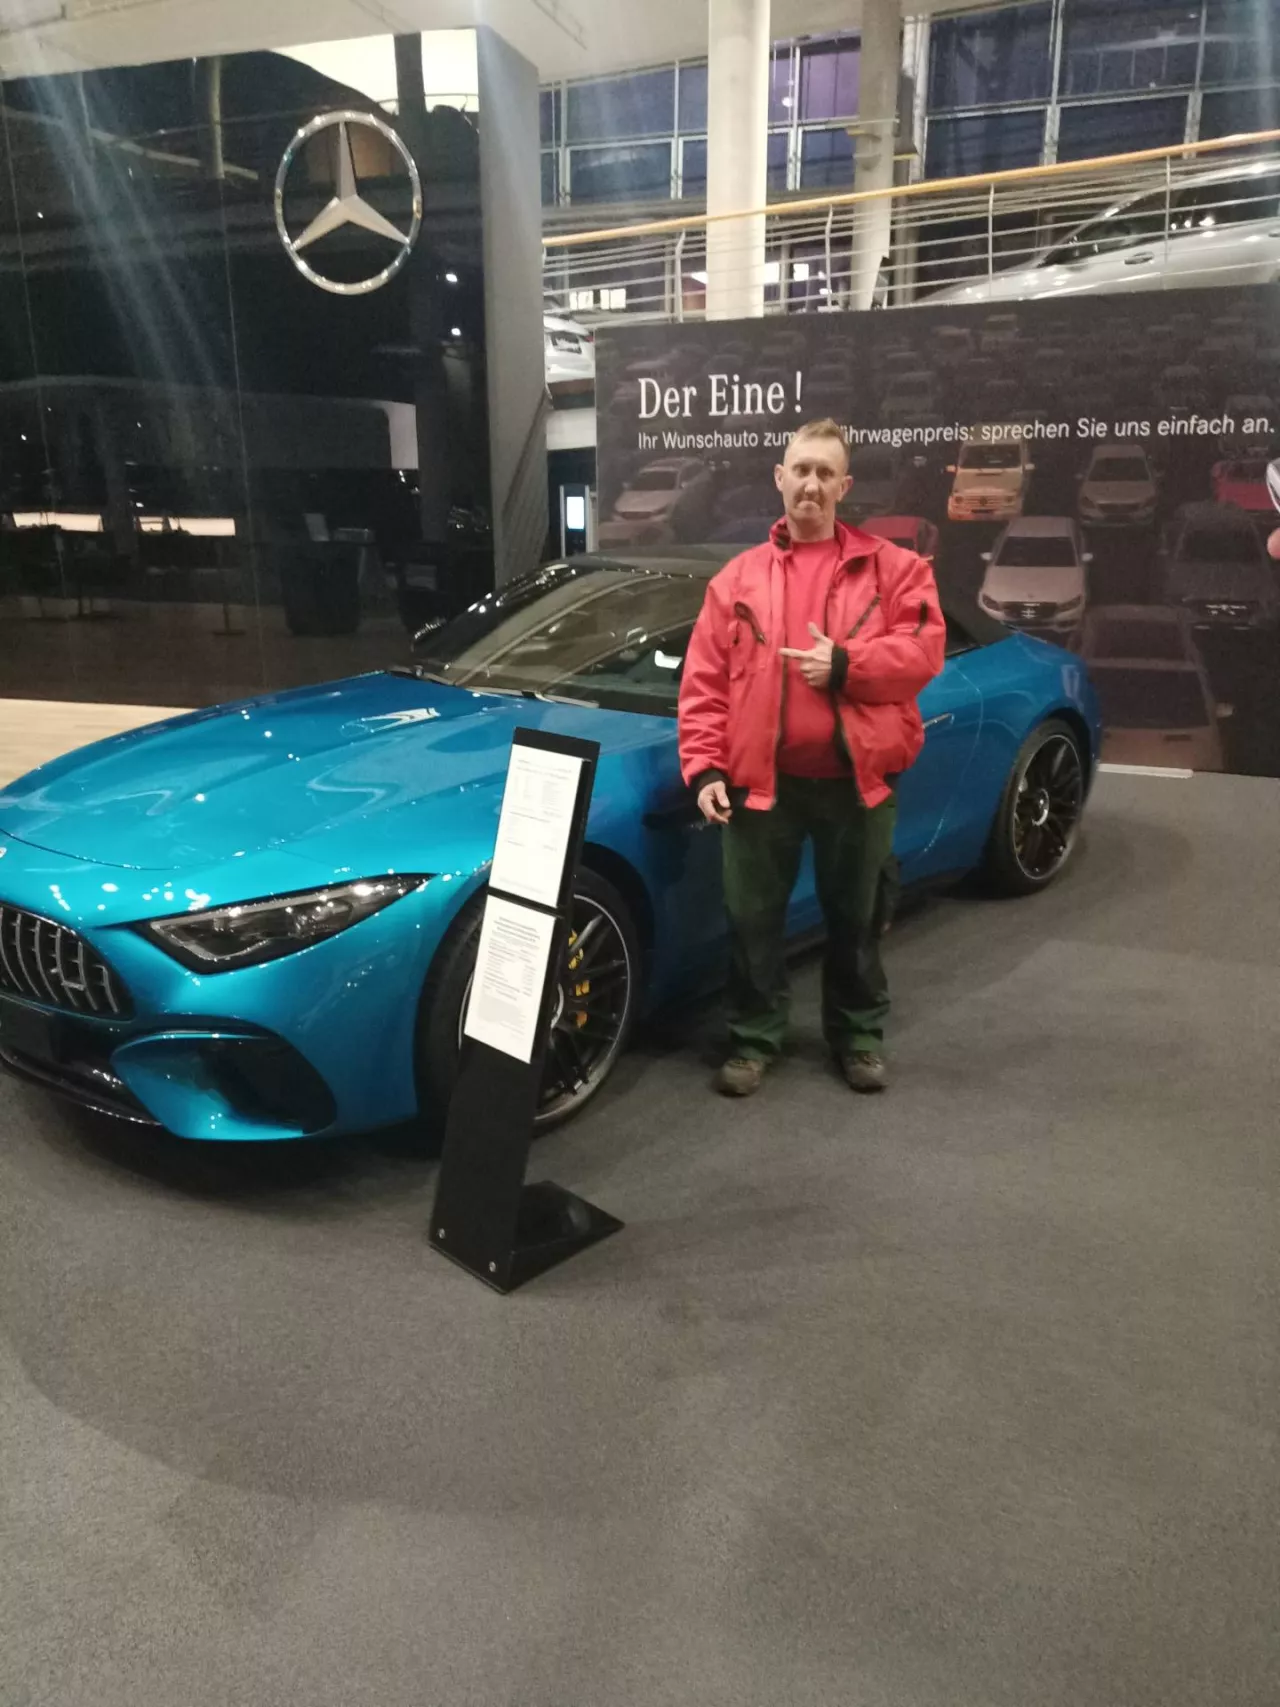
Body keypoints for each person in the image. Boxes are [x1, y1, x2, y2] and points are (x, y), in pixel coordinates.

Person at [677, 418, 945, 1098]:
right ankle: (752, 1038)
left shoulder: (895, 570)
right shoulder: (736, 581)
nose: (812, 484)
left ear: (844, 486)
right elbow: (704, 683)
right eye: (801, 470)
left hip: (857, 785)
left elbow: (922, 653)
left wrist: (848, 663)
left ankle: (858, 1035)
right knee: (752, 922)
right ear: (780, 477)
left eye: (826, 473)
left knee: (857, 918)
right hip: (759, 788)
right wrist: (705, 767)